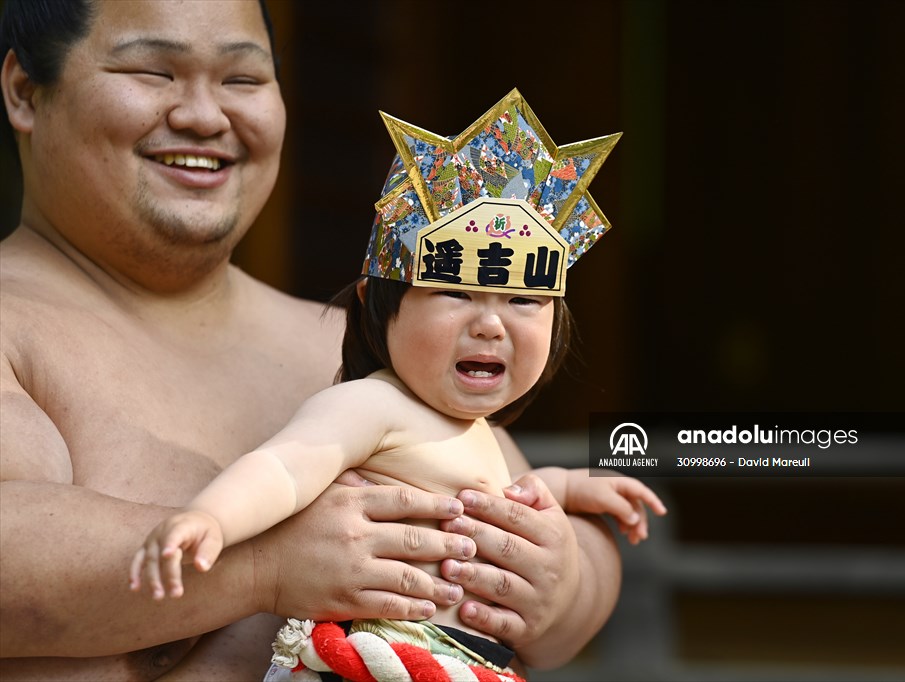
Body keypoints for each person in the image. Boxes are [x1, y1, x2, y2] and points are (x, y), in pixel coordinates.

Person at [0, 1, 625, 679]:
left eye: (243, 81)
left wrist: (558, 585)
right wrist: (266, 567)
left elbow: (516, 506)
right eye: (154, 72)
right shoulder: (16, 325)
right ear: (25, 91)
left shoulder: (372, 347)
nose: (206, 117)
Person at [129, 95, 666, 674]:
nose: (490, 324)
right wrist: (212, 519)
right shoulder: (371, 405)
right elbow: (285, 466)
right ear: (378, 307)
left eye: (524, 300)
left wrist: (568, 487)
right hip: (382, 658)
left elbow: (504, 496)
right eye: (456, 292)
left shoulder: (473, 431)